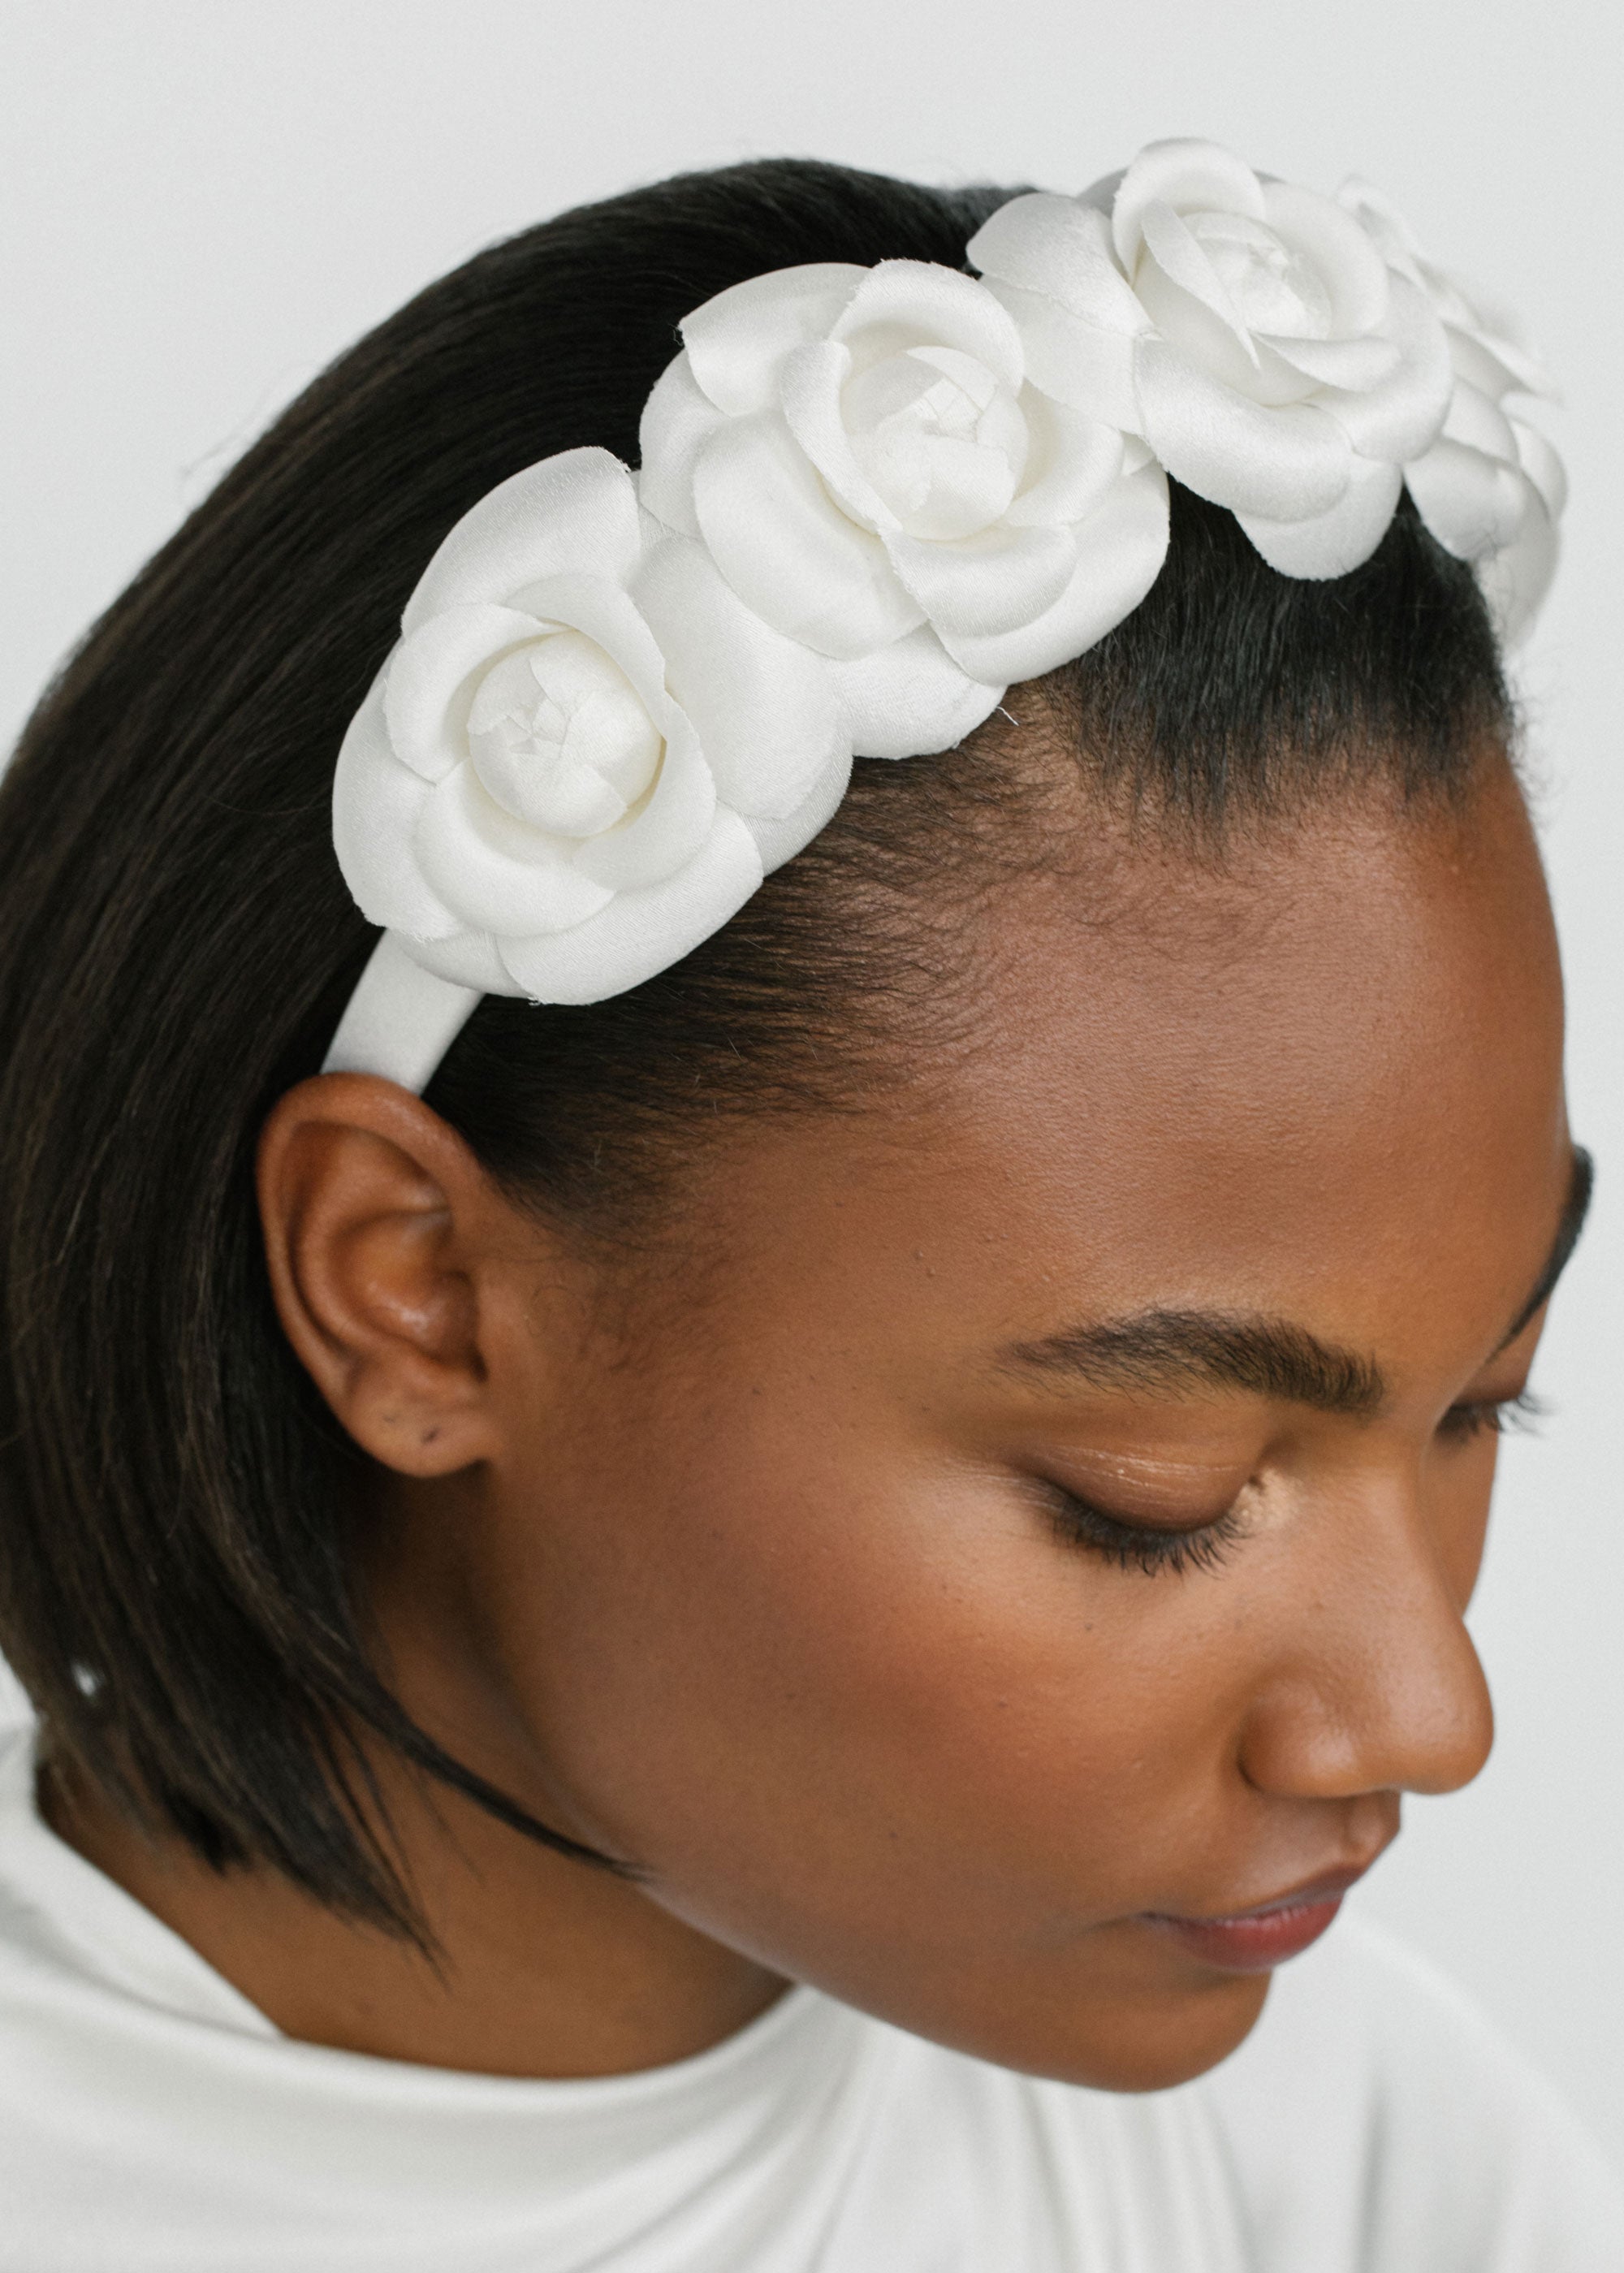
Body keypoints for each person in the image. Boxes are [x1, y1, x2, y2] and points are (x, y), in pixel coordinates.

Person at [0, 140, 1617, 2270]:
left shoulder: (1353, 2173)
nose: (1429, 1720)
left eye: (1482, 1403)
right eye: (1152, 1498)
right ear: (416, 1292)